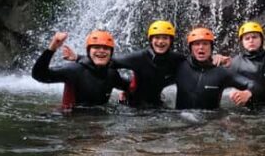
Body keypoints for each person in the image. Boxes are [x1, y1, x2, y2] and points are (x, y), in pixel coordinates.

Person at [62, 20, 231, 107]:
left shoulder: (177, 59)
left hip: (157, 105)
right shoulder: (138, 57)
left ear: (171, 41)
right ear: (151, 40)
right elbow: (107, 61)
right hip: (132, 105)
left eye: (165, 38)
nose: (160, 42)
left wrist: (217, 58)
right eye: (157, 38)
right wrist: (78, 58)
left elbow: (197, 62)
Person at [32, 30, 129, 113]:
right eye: (96, 47)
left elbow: (130, 86)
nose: (102, 51)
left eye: (106, 48)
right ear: (88, 51)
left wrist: (126, 94)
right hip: (72, 119)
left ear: (111, 52)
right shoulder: (74, 70)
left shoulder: (111, 74)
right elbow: (39, 75)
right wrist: (52, 48)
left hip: (99, 121)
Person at [175, 27, 254, 110]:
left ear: (211, 48)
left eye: (205, 44)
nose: (201, 47)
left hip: (210, 120)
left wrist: (248, 92)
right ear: (191, 48)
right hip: (179, 120)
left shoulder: (222, 72)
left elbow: (252, 84)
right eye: (197, 44)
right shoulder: (179, 65)